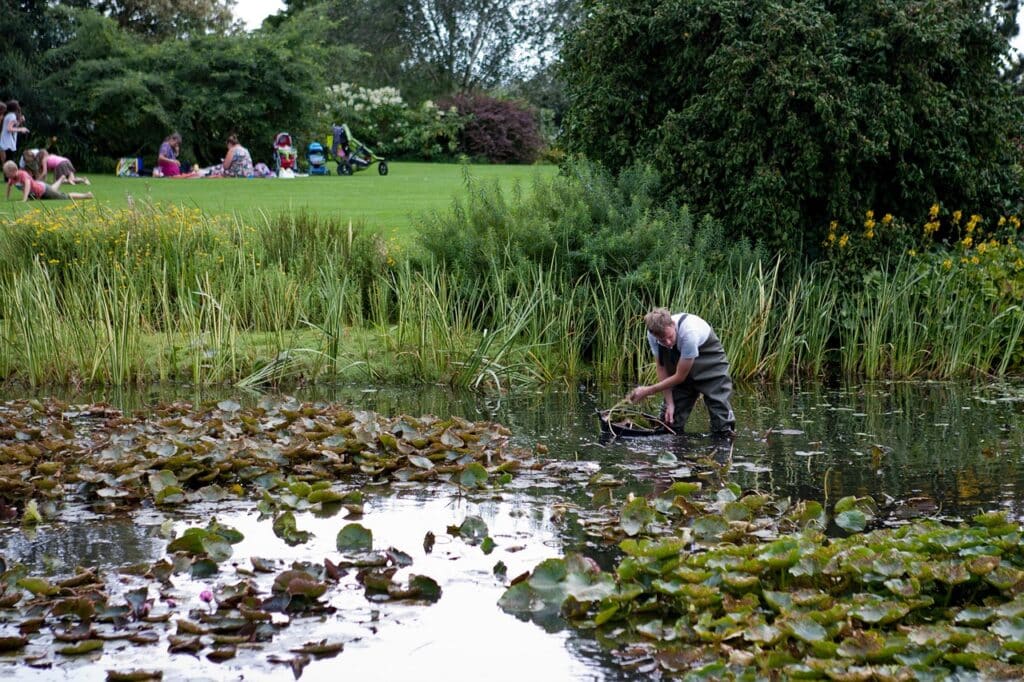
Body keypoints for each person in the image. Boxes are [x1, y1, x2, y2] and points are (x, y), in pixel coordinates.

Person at [627, 307, 736, 436]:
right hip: (680, 370)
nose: (667, 342)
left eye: (669, 337)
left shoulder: (689, 333)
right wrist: (670, 403)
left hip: (711, 367)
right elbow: (662, 367)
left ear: (673, 324)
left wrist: (648, 390)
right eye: (662, 340)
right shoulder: (652, 335)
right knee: (668, 424)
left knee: (722, 428)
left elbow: (680, 376)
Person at [4, 160, 93, 202]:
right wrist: (7, 198)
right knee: (52, 189)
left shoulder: (22, 174)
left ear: (13, 171)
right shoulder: (12, 178)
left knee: (64, 197)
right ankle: (61, 179)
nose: (6, 175)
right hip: (39, 190)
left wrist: (24, 199)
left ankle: (87, 195)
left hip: (43, 190)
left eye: (7, 173)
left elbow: (27, 185)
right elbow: (9, 187)